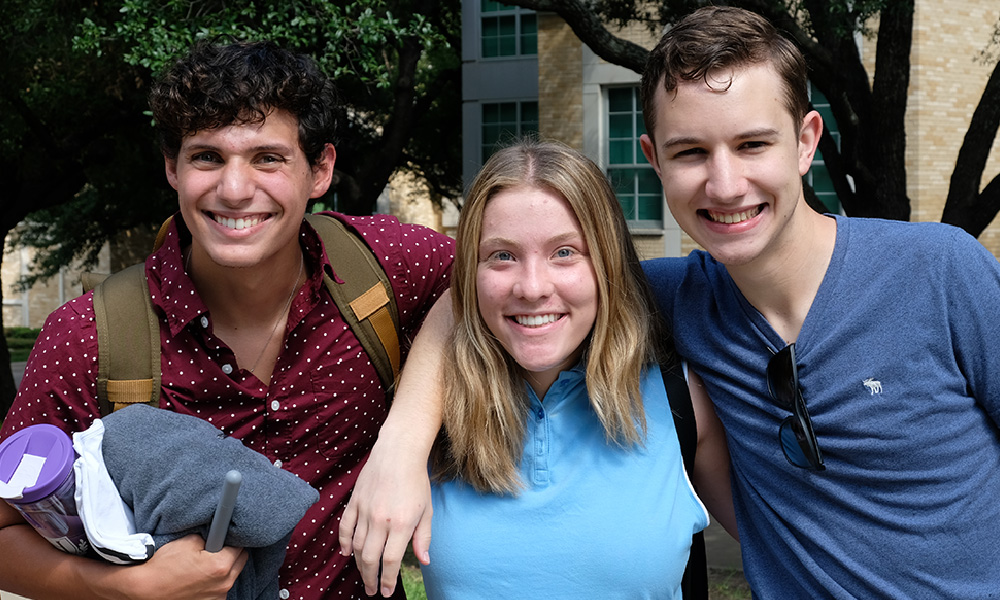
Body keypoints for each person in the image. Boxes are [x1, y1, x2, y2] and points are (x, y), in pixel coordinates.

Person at [342, 5, 1000, 599]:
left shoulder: (941, 274)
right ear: (654, 159)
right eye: (691, 152)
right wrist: (400, 447)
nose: (724, 181)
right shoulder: (669, 298)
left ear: (805, 142)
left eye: (752, 144)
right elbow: (490, 297)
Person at [0, 40, 453, 599]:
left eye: (268, 158)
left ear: (321, 170)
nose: (235, 190)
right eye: (207, 157)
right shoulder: (88, 336)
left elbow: (493, 284)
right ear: (172, 167)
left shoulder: (386, 268)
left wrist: (403, 444)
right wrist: (130, 589)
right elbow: (6, 532)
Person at [415, 139, 734, 598]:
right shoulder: (428, 416)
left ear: (606, 263)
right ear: (471, 272)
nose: (532, 287)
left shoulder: (681, 397)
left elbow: (784, 549)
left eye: (565, 252)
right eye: (502, 255)